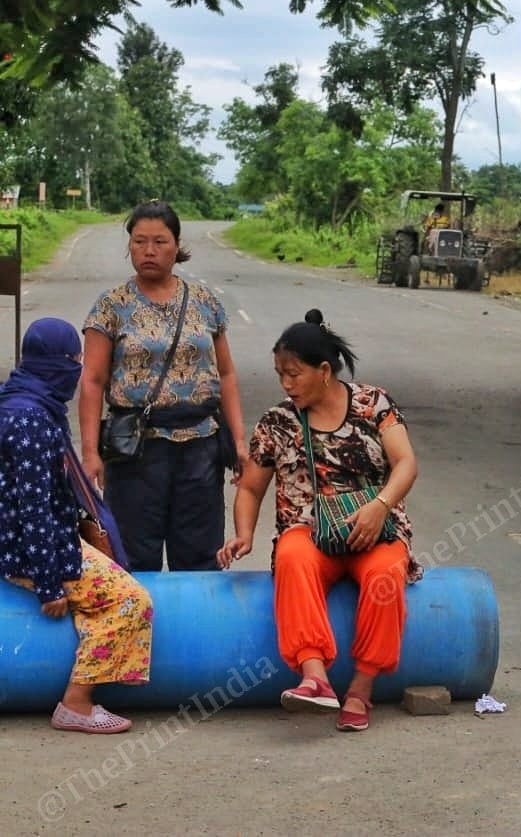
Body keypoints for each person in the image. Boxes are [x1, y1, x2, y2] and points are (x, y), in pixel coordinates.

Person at [217, 309, 420, 732]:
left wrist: (380, 505)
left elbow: (405, 464)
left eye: (294, 374)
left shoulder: (373, 403)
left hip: (374, 529)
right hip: (310, 531)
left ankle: (361, 689)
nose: (286, 384)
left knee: (385, 573)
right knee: (292, 557)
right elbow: (250, 487)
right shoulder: (277, 422)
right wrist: (244, 534)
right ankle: (315, 678)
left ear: (324, 371)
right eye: (280, 375)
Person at [79, 200, 249, 572]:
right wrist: (90, 453)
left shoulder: (204, 302)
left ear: (176, 245)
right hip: (135, 451)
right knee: (134, 558)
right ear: (129, 246)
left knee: (200, 557)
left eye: (159, 241)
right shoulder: (111, 306)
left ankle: (196, 613)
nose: (149, 251)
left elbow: (226, 374)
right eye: (139, 241)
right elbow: (92, 381)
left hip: (200, 448)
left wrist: (239, 441)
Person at [0, 319, 153, 734]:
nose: (76, 369)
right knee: (130, 600)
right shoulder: (30, 420)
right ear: (52, 363)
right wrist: (48, 584)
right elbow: (33, 509)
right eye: (71, 360)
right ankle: (77, 702)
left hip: (34, 541)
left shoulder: (18, 400)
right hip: (36, 552)